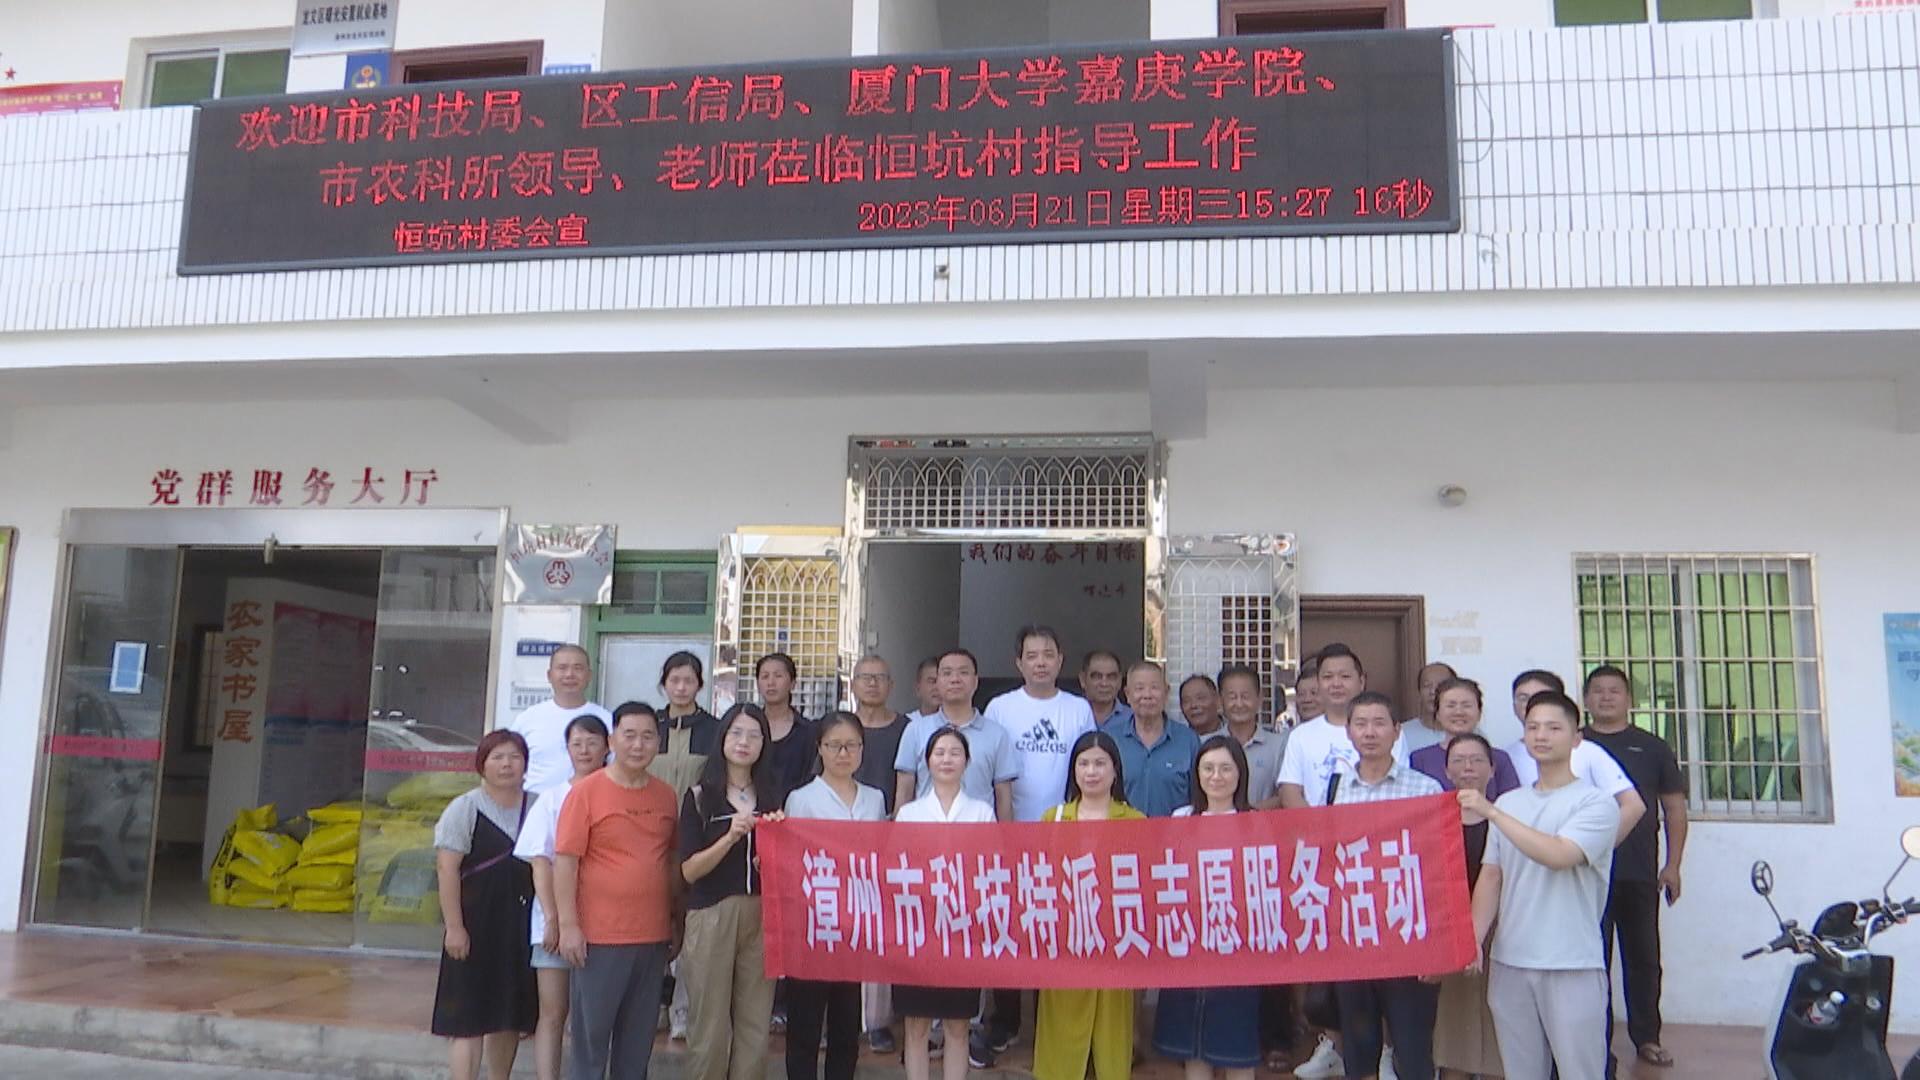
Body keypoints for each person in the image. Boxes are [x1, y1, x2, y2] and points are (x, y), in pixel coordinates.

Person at [1465, 691, 1622, 1080]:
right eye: (1533, 727)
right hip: (1510, 960)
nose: (1541, 735)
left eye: (1554, 727)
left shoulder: (1596, 803)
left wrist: (1491, 813)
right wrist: (1473, 938)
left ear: (1576, 738)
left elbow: (1559, 854)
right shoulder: (1510, 802)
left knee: (1580, 1071)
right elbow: (1492, 875)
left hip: (1571, 962)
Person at [979, 625, 1097, 1066]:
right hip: (1011, 835)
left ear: (1061, 660)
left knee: (1056, 927)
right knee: (1010, 926)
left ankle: (1052, 1020)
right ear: (1019, 663)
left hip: (1064, 836)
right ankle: (1006, 1020)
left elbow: (1088, 765)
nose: (1041, 662)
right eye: (1032, 655)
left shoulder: (1078, 708)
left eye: (1048, 654)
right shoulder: (1001, 707)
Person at [554, 703, 680, 1080]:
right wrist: (568, 926)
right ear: (612, 741)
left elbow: (670, 862)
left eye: (647, 737)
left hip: (652, 938)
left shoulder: (666, 796)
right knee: (591, 1046)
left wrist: (676, 920)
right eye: (629, 736)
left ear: (658, 742)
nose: (638, 745)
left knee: (637, 1046)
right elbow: (566, 862)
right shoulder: (586, 792)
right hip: (600, 938)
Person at [1326, 692, 1444, 1080]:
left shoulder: (1425, 789)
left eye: (1379, 724)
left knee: (1412, 1050)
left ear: (1396, 731)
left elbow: (1437, 869)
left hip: (1408, 937)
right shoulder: (1335, 790)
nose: (1370, 732)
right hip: (1354, 939)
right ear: (1348, 731)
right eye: (1361, 724)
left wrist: (1437, 947)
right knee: (1359, 1052)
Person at [1581, 665, 1687, 1072]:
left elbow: (1674, 809)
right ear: (1586, 699)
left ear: (1630, 699)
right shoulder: (1575, 745)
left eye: (1615, 691)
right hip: (1585, 873)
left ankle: (1647, 1037)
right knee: (1592, 962)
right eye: (1598, 691)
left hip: (1639, 872)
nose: (1606, 697)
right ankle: (1596, 1042)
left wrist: (1672, 865)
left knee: (1643, 958)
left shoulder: (1652, 747)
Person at [785, 712, 890, 1080]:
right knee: (805, 1026)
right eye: (834, 745)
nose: (843, 754)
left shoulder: (875, 799)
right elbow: (792, 861)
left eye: (851, 746)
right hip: (813, 926)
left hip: (854, 927)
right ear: (820, 748)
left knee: (846, 1027)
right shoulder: (801, 799)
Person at [679, 704, 781, 1080]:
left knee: (756, 1023)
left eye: (754, 735)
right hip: (712, 913)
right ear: (722, 738)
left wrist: (771, 855)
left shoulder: (772, 796)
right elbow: (689, 870)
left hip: (763, 914)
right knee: (709, 1023)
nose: (744, 742)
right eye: (736, 733)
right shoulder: (700, 796)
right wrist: (729, 838)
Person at [1033, 731, 1141, 1080]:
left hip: (1115, 941)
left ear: (1115, 770)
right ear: (1073, 771)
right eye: (1083, 764)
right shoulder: (1053, 818)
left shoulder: (1135, 821)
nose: (1091, 772)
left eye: (1100, 763)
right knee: (1061, 1036)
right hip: (1066, 941)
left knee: (1112, 1039)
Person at [1154, 735, 1262, 1080]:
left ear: (1240, 774)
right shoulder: (1181, 818)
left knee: (1236, 1046)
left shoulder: (1255, 822)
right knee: (1194, 1046)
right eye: (1208, 768)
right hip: (1189, 943)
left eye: (1226, 769)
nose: (1217, 777)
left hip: (1238, 947)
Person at [433, 730, 537, 1080]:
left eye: (514, 757)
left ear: (525, 764)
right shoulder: (464, 808)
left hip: (520, 926)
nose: (507, 764)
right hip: (474, 924)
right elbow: (447, 868)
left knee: (508, 1016)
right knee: (467, 1019)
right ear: (482, 764)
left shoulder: (537, 806)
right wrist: (454, 927)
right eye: (498, 757)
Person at [894, 726, 996, 1080]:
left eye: (955, 753)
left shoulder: (981, 812)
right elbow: (897, 869)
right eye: (939, 753)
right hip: (918, 931)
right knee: (916, 1025)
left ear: (967, 761)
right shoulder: (909, 814)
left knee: (957, 1025)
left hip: (963, 931)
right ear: (927, 761)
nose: (947, 760)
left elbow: (989, 869)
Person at [514, 714, 609, 1080]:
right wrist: (552, 918)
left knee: (596, 1016)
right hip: (552, 923)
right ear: (566, 749)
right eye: (576, 743)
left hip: (606, 922)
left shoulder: (617, 794)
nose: (584, 750)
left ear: (607, 747)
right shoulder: (552, 798)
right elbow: (541, 863)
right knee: (553, 1013)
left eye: (592, 742)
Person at [650, 651, 718, 1043]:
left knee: (690, 923)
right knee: (655, 921)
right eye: (673, 680)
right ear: (663, 684)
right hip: (650, 839)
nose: (680, 687)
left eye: (688, 680)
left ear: (699, 685)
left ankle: (683, 1009)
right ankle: (654, 1005)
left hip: (695, 842)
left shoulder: (713, 729)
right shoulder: (649, 727)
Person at [1503, 670, 1646, 846]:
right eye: (1522, 698)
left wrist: (1596, 848)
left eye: (1541, 696)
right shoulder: (1505, 756)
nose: (1531, 704)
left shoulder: (1588, 751)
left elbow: (1633, 805)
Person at [1433, 732, 1505, 1080]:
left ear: (1492, 769)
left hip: (1502, 930)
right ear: (1447, 771)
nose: (1468, 768)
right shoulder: (1433, 819)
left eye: (1477, 760)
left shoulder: (1506, 818)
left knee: (1499, 1026)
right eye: (1459, 761)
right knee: (1455, 1027)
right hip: (1450, 932)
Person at [850, 655, 912, 1054]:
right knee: (844, 930)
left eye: (880, 678)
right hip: (842, 843)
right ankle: (841, 1018)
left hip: (891, 842)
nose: (872, 684)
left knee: (882, 933)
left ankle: (878, 1022)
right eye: (865, 677)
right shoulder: (838, 726)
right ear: (853, 684)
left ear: (891, 685)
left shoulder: (908, 729)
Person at [895, 648, 1018, 818]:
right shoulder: (915, 730)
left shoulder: (997, 735)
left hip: (977, 828)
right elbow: (904, 792)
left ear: (975, 681)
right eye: (947, 673)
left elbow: (1004, 798)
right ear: (937, 681)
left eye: (963, 672)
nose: (955, 679)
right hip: (925, 830)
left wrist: (1005, 835)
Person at [1277, 644, 1403, 810]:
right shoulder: (1299, 736)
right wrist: (1319, 824)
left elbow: (1400, 784)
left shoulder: (1387, 732)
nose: (1336, 684)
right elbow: (1290, 793)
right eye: (1328, 677)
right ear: (1319, 683)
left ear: (1361, 681)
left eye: (1345, 676)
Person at [508, 644, 612, 794]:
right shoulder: (527, 719)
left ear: (589, 675)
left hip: (591, 800)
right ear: (549, 675)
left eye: (577, 668)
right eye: (562, 668)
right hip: (535, 802)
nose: (569, 674)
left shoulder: (607, 720)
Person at [1104, 661, 1200, 818]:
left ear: (1166, 692)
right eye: (1139, 688)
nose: (1147, 695)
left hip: (1176, 832)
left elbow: (1199, 798)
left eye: (1154, 687)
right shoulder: (1110, 740)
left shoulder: (1188, 740)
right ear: (1127, 694)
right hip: (1122, 831)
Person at [1408, 676, 1521, 799]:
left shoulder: (1499, 758)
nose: (1459, 712)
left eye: (1466, 705)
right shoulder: (1420, 759)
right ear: (1438, 714)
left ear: (1479, 712)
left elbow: (1513, 804)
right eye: (1451, 705)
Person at [1214, 664, 1285, 809]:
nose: (1239, 704)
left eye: (1245, 696)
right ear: (1220, 701)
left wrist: (1248, 815)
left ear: (1259, 699)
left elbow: (1284, 795)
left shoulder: (1279, 745)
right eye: (1232, 697)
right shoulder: (1208, 744)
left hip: (1264, 822)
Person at [756, 652, 815, 803]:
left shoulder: (808, 731)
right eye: (765, 676)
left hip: (796, 810)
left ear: (792, 683)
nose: (771, 682)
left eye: (778, 676)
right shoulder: (750, 727)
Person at [1402, 661, 1459, 755]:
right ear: (1419, 692)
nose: (1433, 691)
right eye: (1427, 685)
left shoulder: (1470, 733)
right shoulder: (1402, 734)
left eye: (1441, 685)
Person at [1080, 650, 1132, 726]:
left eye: (1111, 677)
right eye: (1097, 676)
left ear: (1120, 681)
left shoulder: (1133, 719)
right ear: (1083, 679)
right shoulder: (1069, 715)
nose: (1104, 683)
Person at [1293, 655, 1323, 726]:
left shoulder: (1346, 731)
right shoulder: (1291, 733)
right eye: (1301, 694)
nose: (1307, 699)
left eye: (1314, 693)